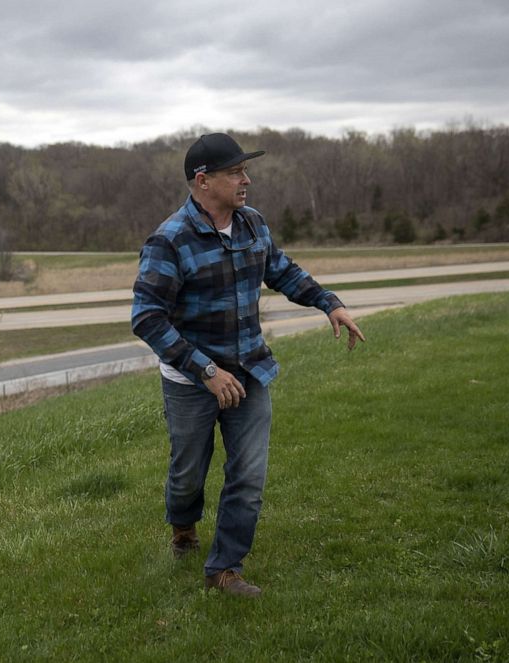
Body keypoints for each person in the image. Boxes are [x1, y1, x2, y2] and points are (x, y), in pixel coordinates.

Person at [131, 133, 365, 597]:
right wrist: (207, 372)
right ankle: (183, 526)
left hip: (250, 370)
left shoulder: (252, 224)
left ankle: (224, 569)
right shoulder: (169, 240)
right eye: (236, 172)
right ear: (203, 181)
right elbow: (148, 319)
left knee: (249, 474)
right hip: (192, 380)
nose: (247, 180)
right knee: (187, 476)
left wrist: (328, 303)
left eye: (245, 171)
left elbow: (281, 269)